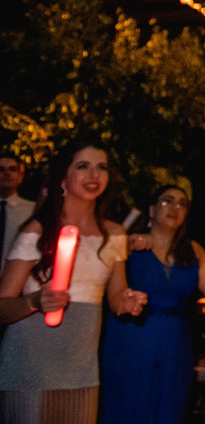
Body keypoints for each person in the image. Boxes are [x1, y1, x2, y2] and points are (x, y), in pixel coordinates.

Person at [0, 142, 146, 424]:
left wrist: (127, 302)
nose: (94, 174)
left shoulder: (113, 233)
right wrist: (33, 301)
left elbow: (116, 295)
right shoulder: (37, 231)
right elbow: (3, 305)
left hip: (81, 369)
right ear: (63, 178)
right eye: (83, 166)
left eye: (101, 167)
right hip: (29, 364)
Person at [101, 184, 205, 424]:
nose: (175, 208)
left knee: (169, 407)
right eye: (167, 201)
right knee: (127, 405)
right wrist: (125, 244)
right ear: (152, 209)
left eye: (181, 203)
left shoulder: (193, 250)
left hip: (175, 341)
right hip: (132, 337)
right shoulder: (128, 245)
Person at [0, 155, 35, 274]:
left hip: (17, 282)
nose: (7, 173)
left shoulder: (32, 211)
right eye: (1, 169)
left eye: (13, 169)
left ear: (21, 176)